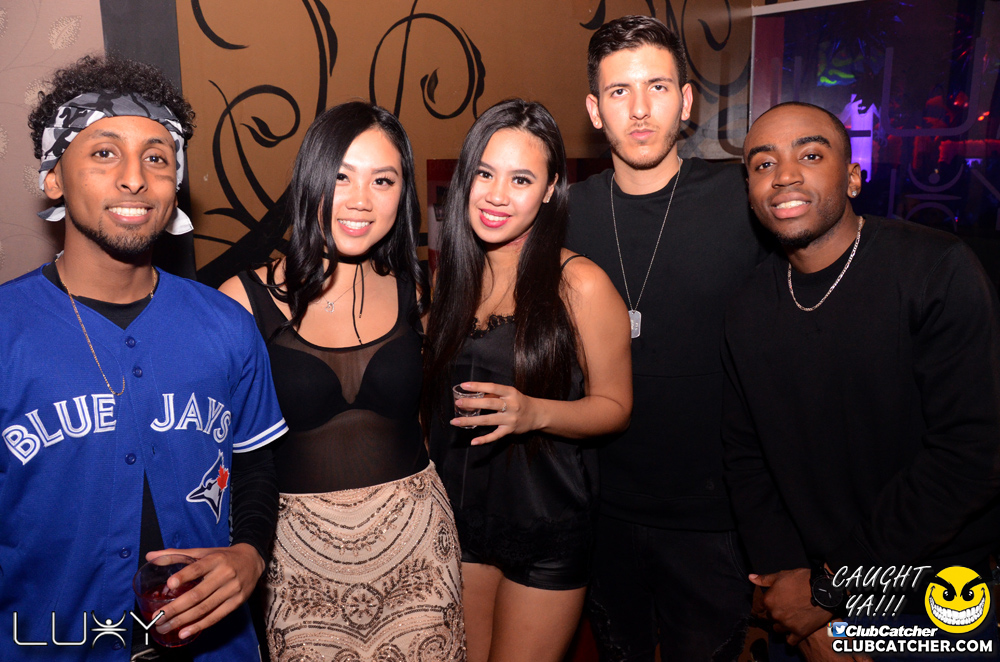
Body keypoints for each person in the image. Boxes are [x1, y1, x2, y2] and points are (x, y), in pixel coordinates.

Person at [1, 55, 288, 661]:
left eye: (157, 158)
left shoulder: (227, 324)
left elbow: (255, 462)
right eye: (105, 153)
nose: (134, 179)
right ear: (55, 178)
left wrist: (250, 554)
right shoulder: (7, 331)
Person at [723, 101, 1000, 661]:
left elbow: (970, 454)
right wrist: (792, 591)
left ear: (852, 177)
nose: (785, 176)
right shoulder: (746, 306)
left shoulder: (936, 269)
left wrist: (835, 589)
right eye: (763, 164)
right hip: (806, 592)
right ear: (750, 192)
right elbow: (744, 457)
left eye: (810, 155)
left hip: (937, 589)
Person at [219, 102, 466, 662]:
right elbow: (219, 449)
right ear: (310, 180)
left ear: (401, 194)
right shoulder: (244, 299)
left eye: (383, 180)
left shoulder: (414, 291)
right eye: (341, 177)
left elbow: (434, 418)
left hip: (418, 547)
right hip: (300, 557)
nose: (360, 200)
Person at [565, 15, 765, 661]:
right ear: (595, 110)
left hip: (714, 517)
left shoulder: (743, 199)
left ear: (685, 101)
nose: (640, 108)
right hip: (599, 510)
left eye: (657, 87)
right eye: (619, 91)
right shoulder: (563, 214)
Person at [424, 98, 632, 662]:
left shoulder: (580, 283)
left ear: (549, 189)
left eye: (520, 179)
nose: (497, 195)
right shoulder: (449, 279)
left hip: (545, 526)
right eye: (485, 174)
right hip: (459, 521)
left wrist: (534, 411)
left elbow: (616, 406)